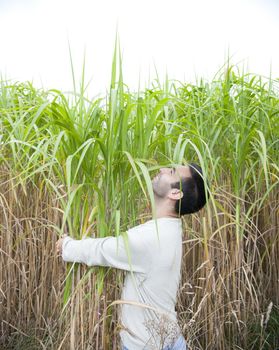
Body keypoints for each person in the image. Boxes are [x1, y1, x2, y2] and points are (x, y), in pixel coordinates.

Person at [56, 163, 209, 350]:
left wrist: (66, 245)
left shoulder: (150, 238)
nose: (161, 170)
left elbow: (102, 250)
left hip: (147, 345)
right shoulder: (172, 228)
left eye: (171, 172)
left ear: (175, 193)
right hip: (169, 340)